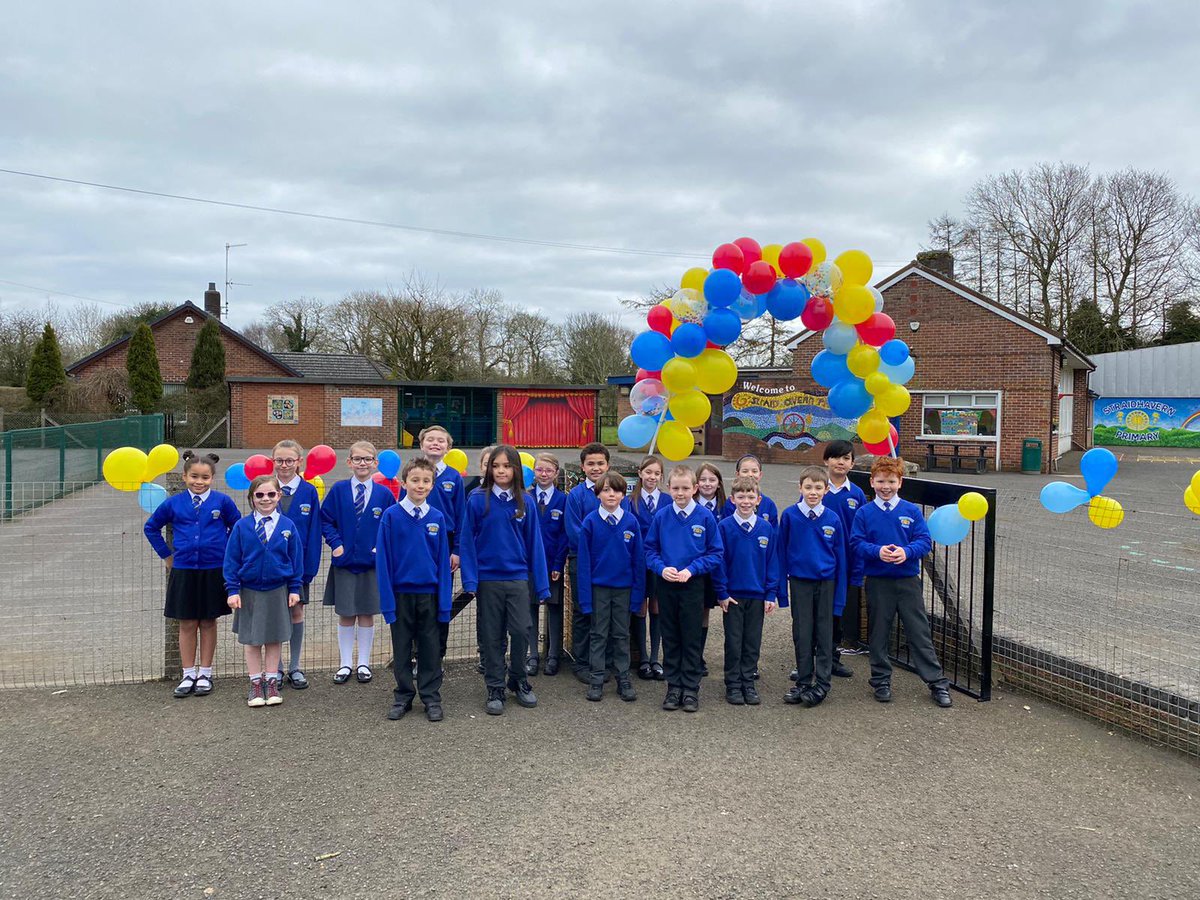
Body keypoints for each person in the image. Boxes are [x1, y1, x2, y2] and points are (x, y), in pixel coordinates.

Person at [849, 456, 952, 708]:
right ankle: (881, 680)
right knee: (879, 632)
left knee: (919, 632)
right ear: (872, 482)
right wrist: (876, 551)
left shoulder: (911, 511)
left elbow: (924, 541)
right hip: (878, 581)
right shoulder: (864, 512)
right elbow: (856, 542)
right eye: (881, 481)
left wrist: (907, 552)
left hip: (907, 580)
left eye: (891, 481)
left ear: (900, 482)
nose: (886, 486)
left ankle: (937, 682)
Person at [460, 445, 549, 716]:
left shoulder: (526, 501)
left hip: (518, 577)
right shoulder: (476, 499)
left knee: (522, 630)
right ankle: (495, 686)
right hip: (487, 579)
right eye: (496, 466)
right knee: (492, 636)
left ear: (516, 470)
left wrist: (542, 583)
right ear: (489, 469)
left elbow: (535, 543)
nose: (501, 471)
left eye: (507, 466)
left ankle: (518, 679)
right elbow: (466, 543)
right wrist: (470, 580)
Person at [143, 450, 240, 699]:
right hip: (184, 570)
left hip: (213, 570)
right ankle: (188, 674)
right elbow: (151, 527)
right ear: (185, 477)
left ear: (212, 478)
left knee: (208, 621)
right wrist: (167, 556)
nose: (199, 481)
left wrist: (226, 552)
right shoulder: (173, 503)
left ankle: (205, 673)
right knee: (187, 622)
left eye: (205, 477)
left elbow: (237, 527)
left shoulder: (222, 502)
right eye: (194, 476)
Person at [377, 458, 452, 723]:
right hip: (400, 596)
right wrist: (387, 602)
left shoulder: (437, 518)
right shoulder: (391, 516)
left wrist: (444, 603)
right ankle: (403, 696)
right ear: (403, 482)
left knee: (430, 647)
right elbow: (383, 562)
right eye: (415, 480)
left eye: (426, 481)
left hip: (429, 596)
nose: (420, 485)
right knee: (402, 647)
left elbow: (443, 563)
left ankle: (431, 697)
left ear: (432, 485)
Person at [645, 465, 723, 713]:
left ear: (695, 488)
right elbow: (650, 550)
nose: (680, 493)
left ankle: (690, 688)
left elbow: (715, 552)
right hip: (666, 585)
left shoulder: (705, 517)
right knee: (670, 635)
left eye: (686, 488)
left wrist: (693, 569)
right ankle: (673, 686)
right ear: (668, 488)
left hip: (692, 585)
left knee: (690, 636)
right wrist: (660, 568)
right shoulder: (662, 516)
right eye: (676, 488)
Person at [320, 441, 396, 685]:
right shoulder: (339, 490)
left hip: (371, 565)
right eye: (358, 459)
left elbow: (391, 525)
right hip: (344, 563)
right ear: (349, 462)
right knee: (346, 614)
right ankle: (345, 663)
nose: (363, 463)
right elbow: (325, 520)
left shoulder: (384, 494)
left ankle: (363, 662)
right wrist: (335, 543)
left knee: (366, 614)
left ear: (375, 463)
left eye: (368, 459)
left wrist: (380, 547)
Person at [224, 474, 303, 708]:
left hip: (277, 590)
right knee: (252, 639)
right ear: (252, 498)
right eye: (259, 495)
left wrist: (294, 588)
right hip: (249, 591)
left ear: (279, 496)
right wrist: (232, 590)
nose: (265, 499)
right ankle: (255, 683)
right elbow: (231, 560)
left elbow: (296, 560)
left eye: (271, 494)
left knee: (274, 637)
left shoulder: (288, 526)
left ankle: (271, 681)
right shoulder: (242, 526)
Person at [779, 466, 847, 708]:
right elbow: (781, 552)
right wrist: (781, 592)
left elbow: (841, 559)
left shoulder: (833, 519)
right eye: (808, 487)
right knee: (802, 633)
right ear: (800, 488)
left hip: (826, 583)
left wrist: (839, 599)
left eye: (818, 487)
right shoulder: (789, 515)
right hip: (799, 582)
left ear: (826, 490)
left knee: (824, 633)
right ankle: (804, 681)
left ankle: (822, 684)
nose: (813, 492)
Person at [577, 471, 645, 702]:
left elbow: (638, 562)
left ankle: (623, 679)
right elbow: (584, 564)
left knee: (621, 634)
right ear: (597, 494)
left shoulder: (631, 522)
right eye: (605, 490)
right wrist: (585, 599)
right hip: (599, 590)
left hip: (624, 590)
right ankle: (596, 679)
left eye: (616, 490)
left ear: (623, 494)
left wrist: (637, 596)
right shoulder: (590, 522)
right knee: (598, 634)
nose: (611, 494)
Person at [711, 476, 779, 706]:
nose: (746, 501)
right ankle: (732, 683)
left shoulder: (766, 528)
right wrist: (721, 592)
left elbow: (772, 562)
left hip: (757, 596)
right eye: (741, 496)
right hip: (733, 596)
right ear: (732, 499)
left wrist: (771, 593)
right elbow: (719, 562)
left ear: (758, 500)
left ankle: (748, 682)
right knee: (733, 640)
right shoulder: (724, 527)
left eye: (751, 497)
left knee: (752, 641)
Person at [565, 442, 628, 684]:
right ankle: (582, 662)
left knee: (608, 614)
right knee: (583, 611)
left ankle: (606, 662)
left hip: (610, 564)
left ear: (608, 465)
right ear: (582, 467)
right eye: (590, 463)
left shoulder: (615, 493)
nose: (595, 467)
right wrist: (599, 548)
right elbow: (574, 531)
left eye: (600, 463)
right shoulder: (576, 496)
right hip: (582, 560)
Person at [270, 440, 322, 689]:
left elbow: (314, 532)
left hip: (298, 568)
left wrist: (309, 569)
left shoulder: (310, 491)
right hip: (271, 567)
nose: (284, 465)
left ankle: (295, 667)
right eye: (279, 460)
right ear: (274, 462)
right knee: (276, 616)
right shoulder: (265, 489)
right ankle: (276, 668)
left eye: (290, 460)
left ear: (299, 462)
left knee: (296, 612)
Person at [823, 439, 868, 670]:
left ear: (852, 464)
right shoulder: (816, 488)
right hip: (821, 562)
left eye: (846, 458)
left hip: (846, 563)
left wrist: (858, 567)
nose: (840, 462)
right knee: (818, 610)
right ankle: (811, 660)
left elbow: (861, 532)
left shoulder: (857, 494)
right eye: (836, 457)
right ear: (826, 461)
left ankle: (833, 658)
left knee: (838, 611)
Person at [526, 453, 567, 676]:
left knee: (554, 608)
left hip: (552, 566)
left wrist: (558, 564)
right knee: (530, 607)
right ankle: (532, 655)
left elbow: (564, 535)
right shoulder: (526, 498)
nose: (544, 474)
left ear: (556, 474)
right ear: (534, 471)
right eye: (540, 470)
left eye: (549, 471)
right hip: (530, 565)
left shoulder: (563, 500)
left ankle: (553, 655)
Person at [629, 455, 665, 681]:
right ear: (640, 473)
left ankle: (655, 658)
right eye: (648, 472)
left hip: (660, 564)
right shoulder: (629, 501)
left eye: (657, 473)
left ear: (661, 477)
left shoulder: (668, 501)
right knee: (640, 608)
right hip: (639, 563)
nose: (652, 477)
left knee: (657, 608)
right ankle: (642, 658)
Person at [694, 462, 727, 677]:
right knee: (694, 611)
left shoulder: (727, 506)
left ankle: (701, 653)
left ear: (719, 483)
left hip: (718, 566)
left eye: (712, 480)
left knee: (707, 610)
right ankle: (694, 656)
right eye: (703, 479)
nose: (707, 484)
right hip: (696, 568)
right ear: (696, 484)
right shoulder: (691, 505)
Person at [721, 454, 779, 524]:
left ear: (760, 475)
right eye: (745, 471)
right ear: (737, 474)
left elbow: (773, 532)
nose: (750, 474)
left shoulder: (769, 504)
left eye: (754, 471)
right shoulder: (730, 504)